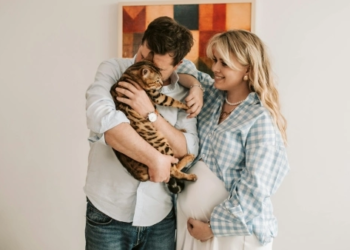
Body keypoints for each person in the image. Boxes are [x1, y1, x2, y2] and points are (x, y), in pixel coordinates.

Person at [84, 16, 201, 250]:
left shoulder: (183, 90)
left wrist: (151, 114)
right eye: (142, 55)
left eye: (156, 67)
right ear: (141, 43)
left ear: (177, 65)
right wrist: (155, 159)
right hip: (108, 213)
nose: (143, 67)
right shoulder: (113, 69)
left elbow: (188, 148)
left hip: (160, 218)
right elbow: (103, 120)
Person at [174, 30, 290, 250]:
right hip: (192, 232)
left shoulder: (259, 118)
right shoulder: (211, 96)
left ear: (248, 68)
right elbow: (179, 68)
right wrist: (196, 87)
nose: (215, 68)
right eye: (215, 60)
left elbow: (256, 186)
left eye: (224, 63)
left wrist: (212, 227)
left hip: (231, 235)